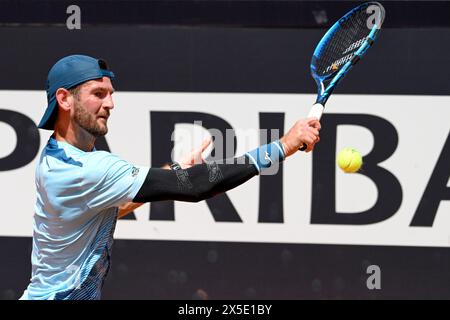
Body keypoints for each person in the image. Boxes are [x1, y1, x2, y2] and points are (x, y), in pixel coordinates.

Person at [20, 54, 321, 300]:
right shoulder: (86, 170)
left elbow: (108, 208)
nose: (110, 104)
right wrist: (283, 146)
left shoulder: (57, 157)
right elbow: (197, 187)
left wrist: (175, 171)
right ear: (64, 99)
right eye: (98, 94)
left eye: (111, 94)